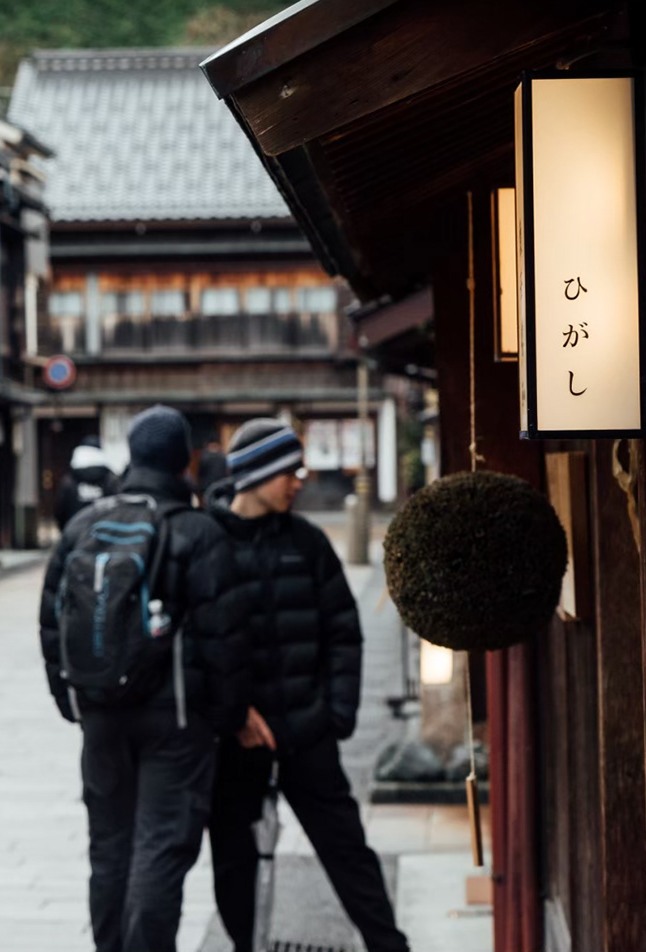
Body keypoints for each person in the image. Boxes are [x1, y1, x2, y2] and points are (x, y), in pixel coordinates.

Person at [39, 405, 252, 952]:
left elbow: (52, 618)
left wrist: (72, 700)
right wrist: (225, 718)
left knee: (109, 851)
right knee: (160, 850)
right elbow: (224, 637)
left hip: (101, 715)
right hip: (174, 722)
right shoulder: (196, 530)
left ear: (131, 456)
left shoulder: (84, 526)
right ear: (184, 460)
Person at [207, 418, 410, 952]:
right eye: (288, 472)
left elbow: (344, 632)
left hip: (306, 730)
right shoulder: (207, 543)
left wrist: (334, 714)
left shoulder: (308, 542)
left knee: (347, 849)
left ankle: (390, 945)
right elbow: (193, 645)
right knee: (233, 857)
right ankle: (245, 945)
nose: (298, 481)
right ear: (255, 475)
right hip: (238, 741)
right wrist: (230, 718)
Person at [56, 437, 121, 526]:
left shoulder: (69, 481)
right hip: (106, 533)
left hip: (75, 533)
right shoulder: (111, 480)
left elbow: (60, 511)